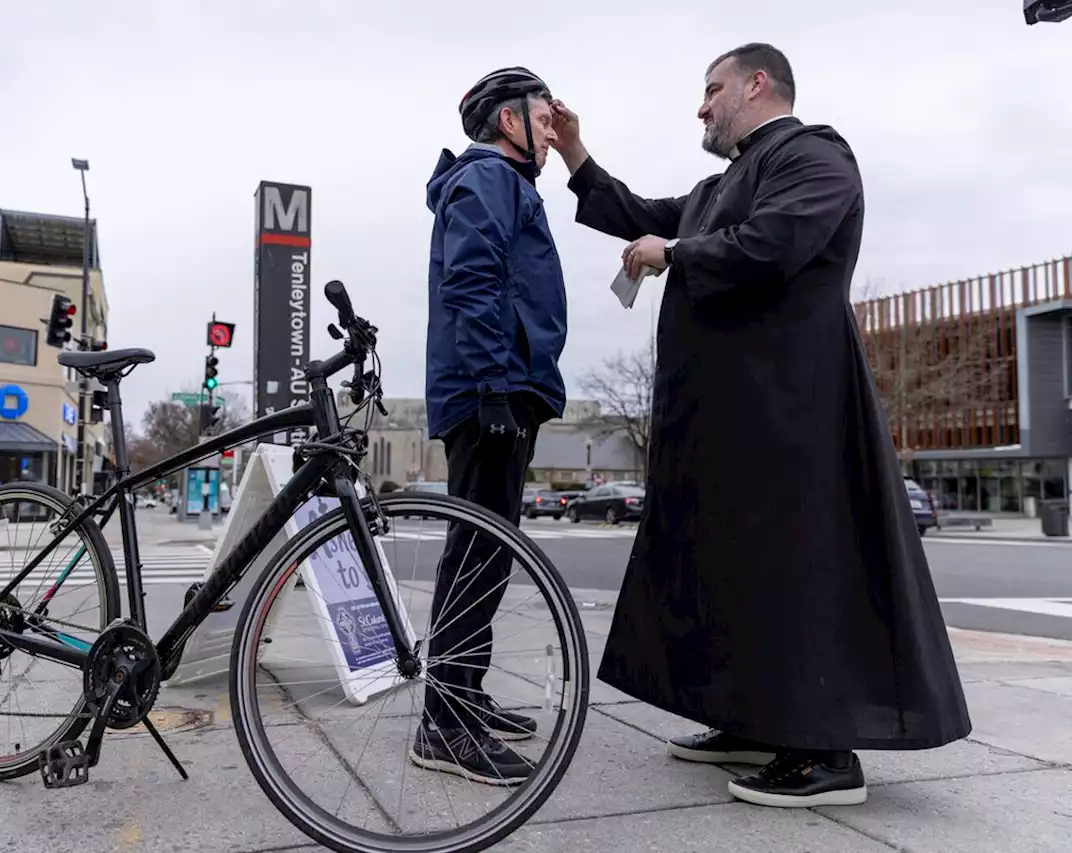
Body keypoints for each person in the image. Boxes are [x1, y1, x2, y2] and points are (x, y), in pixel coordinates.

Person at [549, 42, 972, 808]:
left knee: (800, 571)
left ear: (757, 83)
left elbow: (772, 243)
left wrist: (673, 251)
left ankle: (824, 753)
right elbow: (640, 214)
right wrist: (574, 151)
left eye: (712, 89)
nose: (702, 107)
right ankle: (751, 717)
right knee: (734, 570)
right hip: (735, 422)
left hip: (796, 417)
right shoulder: (721, 184)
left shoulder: (814, 157)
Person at [412, 66, 566, 786]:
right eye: (543, 113)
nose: (553, 124)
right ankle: (444, 723)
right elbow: (471, 281)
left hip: (498, 388)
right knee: (478, 551)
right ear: (510, 122)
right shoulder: (490, 181)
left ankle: (462, 691)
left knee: (487, 552)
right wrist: (497, 385)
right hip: (488, 394)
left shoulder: (508, 184)